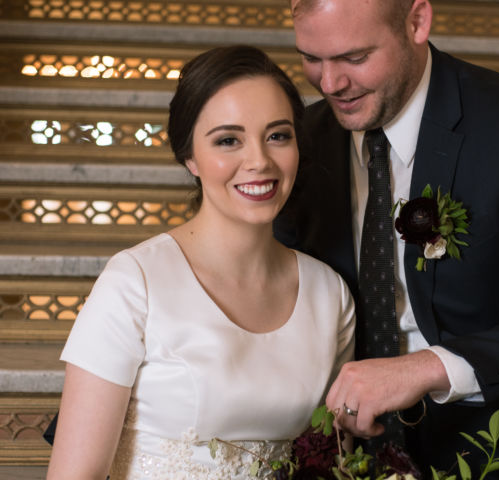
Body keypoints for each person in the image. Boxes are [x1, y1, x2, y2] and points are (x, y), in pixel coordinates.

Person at [273, 0, 499, 477]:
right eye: (311, 58)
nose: (329, 84)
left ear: (417, 22)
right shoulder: (298, 143)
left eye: (355, 58)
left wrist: (427, 368)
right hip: (348, 430)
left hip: (497, 416)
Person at [46, 45, 355, 479]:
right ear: (189, 156)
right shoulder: (136, 281)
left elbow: (332, 456)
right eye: (228, 140)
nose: (259, 161)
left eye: (278, 135)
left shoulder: (329, 294)